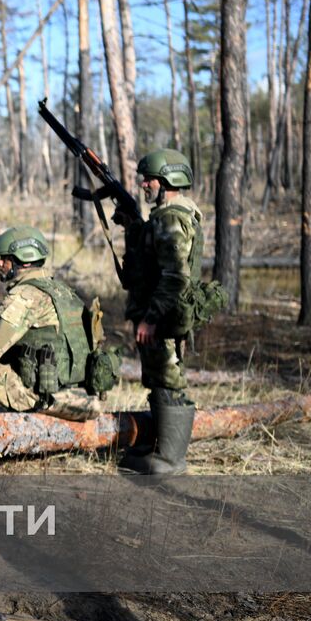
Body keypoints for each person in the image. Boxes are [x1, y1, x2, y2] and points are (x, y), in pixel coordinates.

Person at [116, 149, 208, 474]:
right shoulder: (167, 215)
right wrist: (132, 227)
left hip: (165, 317)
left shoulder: (170, 218)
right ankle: (160, 446)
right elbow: (151, 261)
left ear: (168, 181)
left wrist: (150, 318)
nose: (144, 184)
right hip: (164, 313)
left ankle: (171, 459)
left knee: (168, 379)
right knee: (159, 376)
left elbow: (175, 276)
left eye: (150, 179)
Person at [0, 227, 101, 421]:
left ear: (24, 261)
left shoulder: (25, 295)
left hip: (45, 398)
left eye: (5, 258)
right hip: (84, 399)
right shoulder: (64, 291)